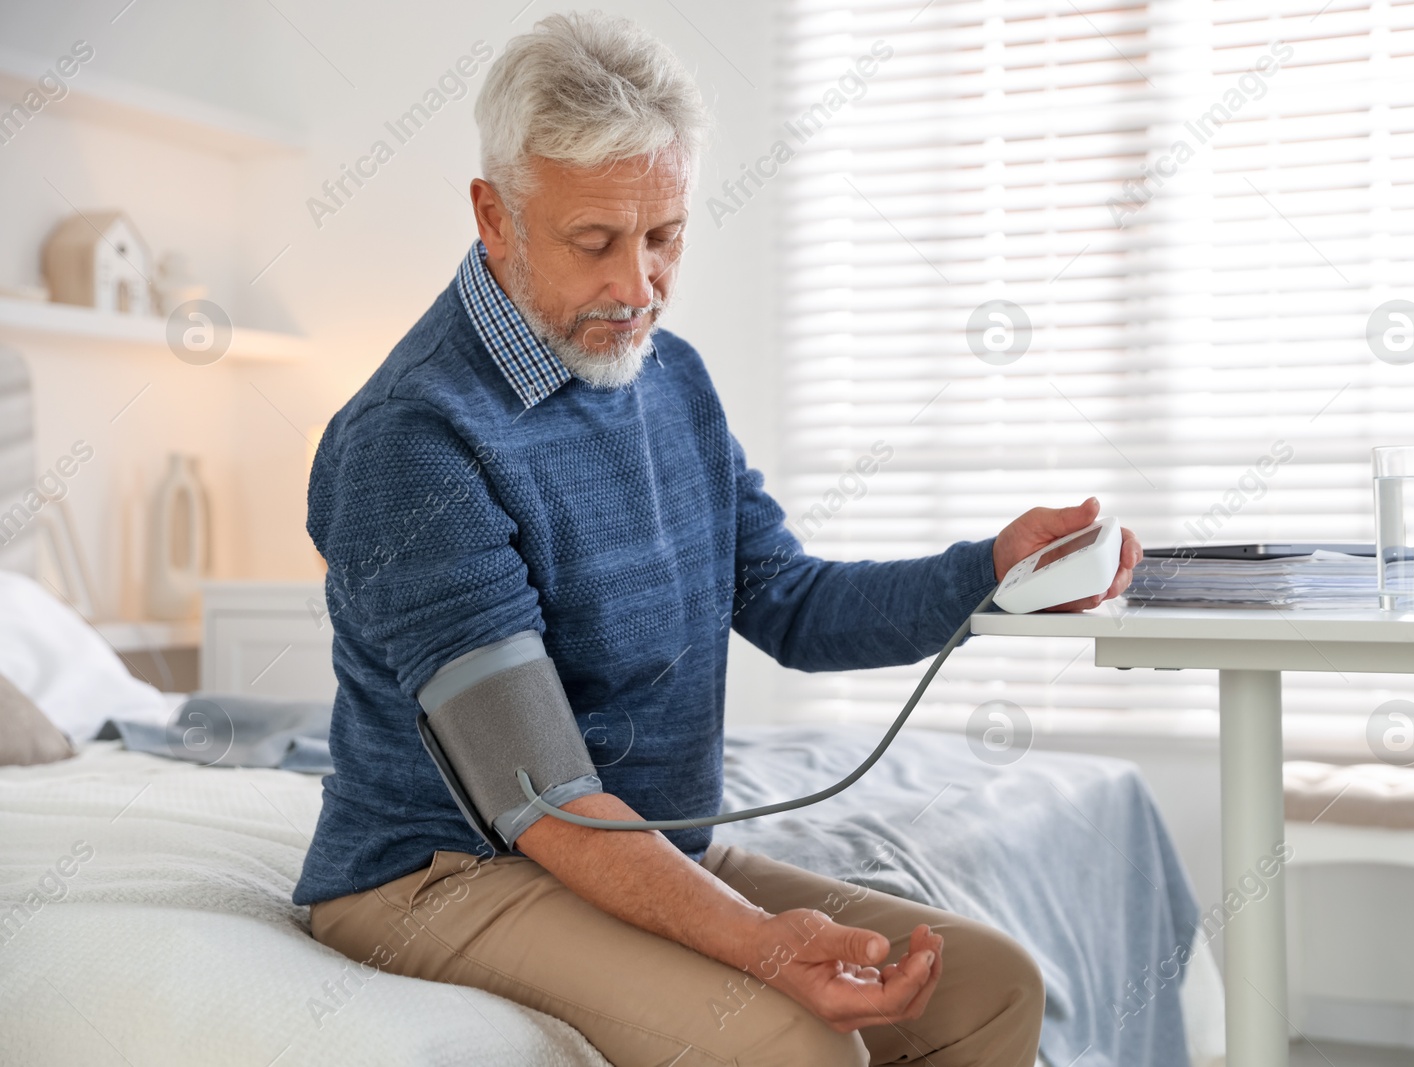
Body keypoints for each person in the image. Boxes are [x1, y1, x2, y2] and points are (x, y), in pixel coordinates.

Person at [295, 12, 1141, 1065]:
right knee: (795, 1042)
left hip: (634, 843)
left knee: (989, 988)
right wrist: (758, 943)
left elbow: (785, 597)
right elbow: (542, 793)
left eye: (665, 237)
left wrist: (987, 572)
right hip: (443, 874)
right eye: (594, 242)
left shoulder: (671, 378)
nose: (638, 286)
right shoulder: (413, 442)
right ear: (495, 216)